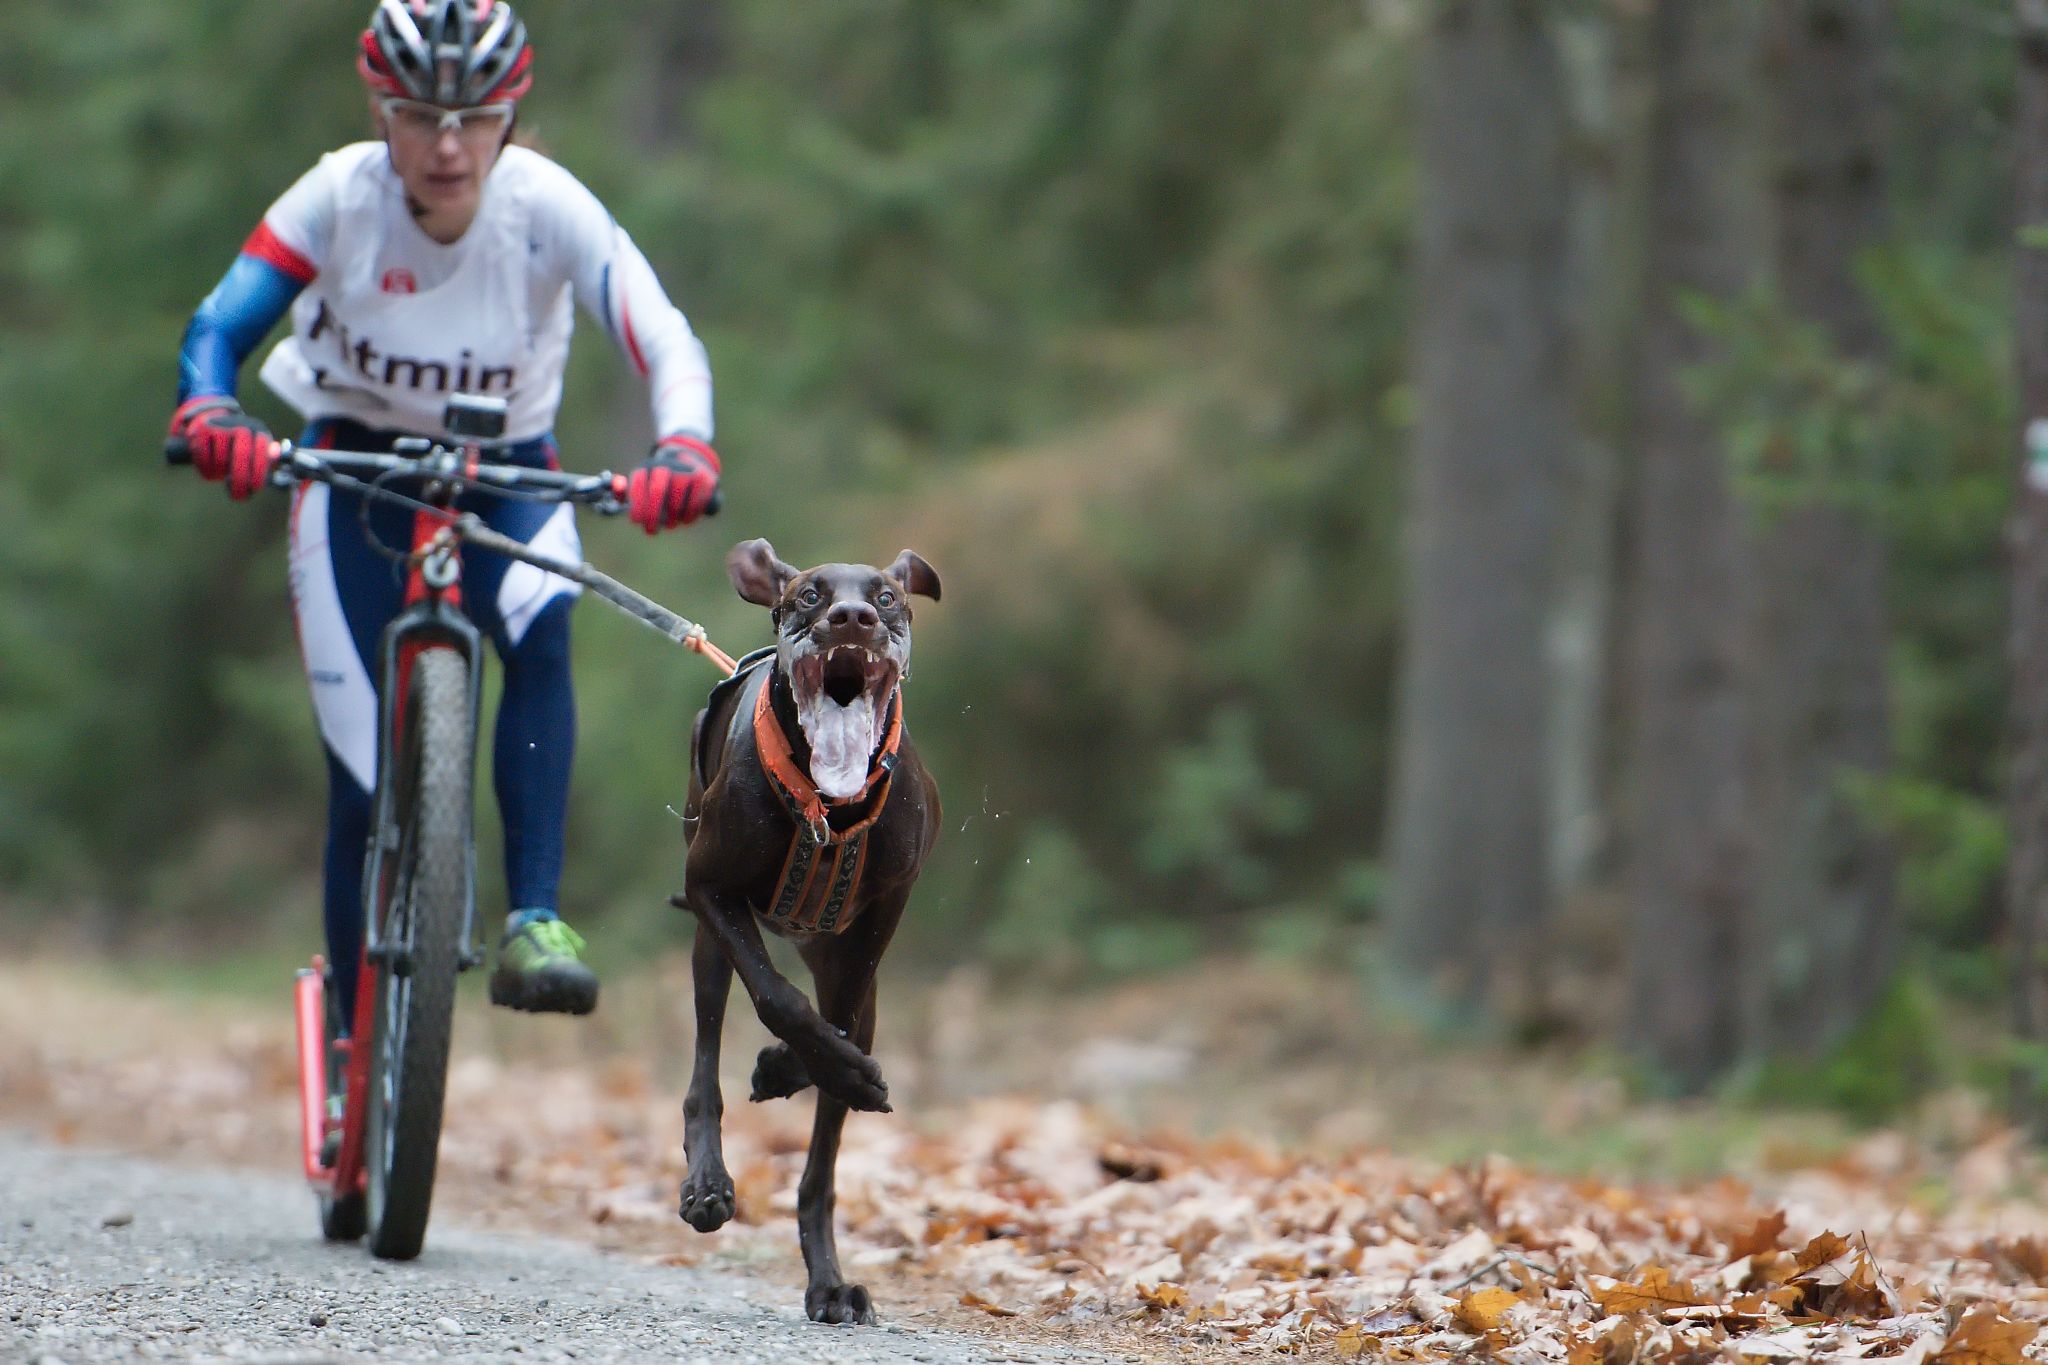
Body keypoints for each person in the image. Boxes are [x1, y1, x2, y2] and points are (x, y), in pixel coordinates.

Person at [169, 0, 719, 1019]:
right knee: (361, 780)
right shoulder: (336, 197)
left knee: (541, 632)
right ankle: (347, 1038)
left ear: (512, 114)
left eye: (478, 115)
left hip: (506, 468)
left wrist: (681, 445)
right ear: (382, 109)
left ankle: (534, 920)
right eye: (422, 114)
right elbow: (219, 324)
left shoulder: (548, 208)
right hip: (350, 466)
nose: (450, 144)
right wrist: (211, 411)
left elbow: (663, 337)